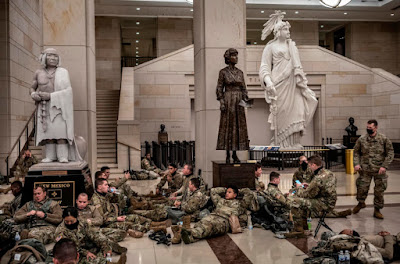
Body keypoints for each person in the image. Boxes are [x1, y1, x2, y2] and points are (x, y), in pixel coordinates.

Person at [259, 11, 317, 149]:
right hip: (278, 85)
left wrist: (303, 83)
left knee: (298, 112)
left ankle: (294, 143)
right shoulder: (270, 47)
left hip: (294, 84)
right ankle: (281, 144)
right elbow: (264, 67)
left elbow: (298, 66)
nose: (287, 31)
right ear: (278, 31)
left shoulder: (292, 46)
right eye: (285, 29)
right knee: (282, 114)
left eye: (288, 29)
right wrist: (268, 82)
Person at [31, 48, 82, 163]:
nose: (53, 58)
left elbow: (68, 91)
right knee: (48, 135)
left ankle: (62, 156)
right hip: (44, 108)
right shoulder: (38, 73)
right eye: (50, 56)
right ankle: (51, 156)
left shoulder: (63, 72)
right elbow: (32, 87)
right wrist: (33, 94)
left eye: (55, 56)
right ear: (44, 57)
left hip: (60, 108)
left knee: (61, 134)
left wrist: (51, 96)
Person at [353, 119, 394, 219]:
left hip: (379, 170)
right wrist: (356, 164)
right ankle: (361, 203)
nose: (368, 129)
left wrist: (384, 166)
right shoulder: (362, 139)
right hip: (365, 169)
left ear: (376, 127)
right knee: (361, 188)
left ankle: (377, 210)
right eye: (367, 128)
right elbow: (356, 152)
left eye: (370, 128)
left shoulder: (383, 139)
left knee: (379, 191)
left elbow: (390, 153)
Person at [55, 207, 126, 264]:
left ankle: (111, 254)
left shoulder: (83, 223)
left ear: (77, 218)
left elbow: (94, 235)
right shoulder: (60, 231)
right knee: (91, 260)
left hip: (88, 246)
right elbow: (67, 249)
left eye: (72, 221)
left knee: (105, 242)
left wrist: (104, 246)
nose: (69, 223)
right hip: (74, 254)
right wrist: (86, 253)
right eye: (67, 221)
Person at [216, 48, 249, 163]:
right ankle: (227, 153)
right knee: (228, 126)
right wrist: (221, 101)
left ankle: (235, 154)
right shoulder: (223, 72)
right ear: (228, 58)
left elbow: (244, 88)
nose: (236, 58)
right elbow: (219, 87)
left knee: (238, 127)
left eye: (237, 56)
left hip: (238, 100)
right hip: (228, 99)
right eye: (234, 56)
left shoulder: (240, 72)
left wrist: (246, 98)